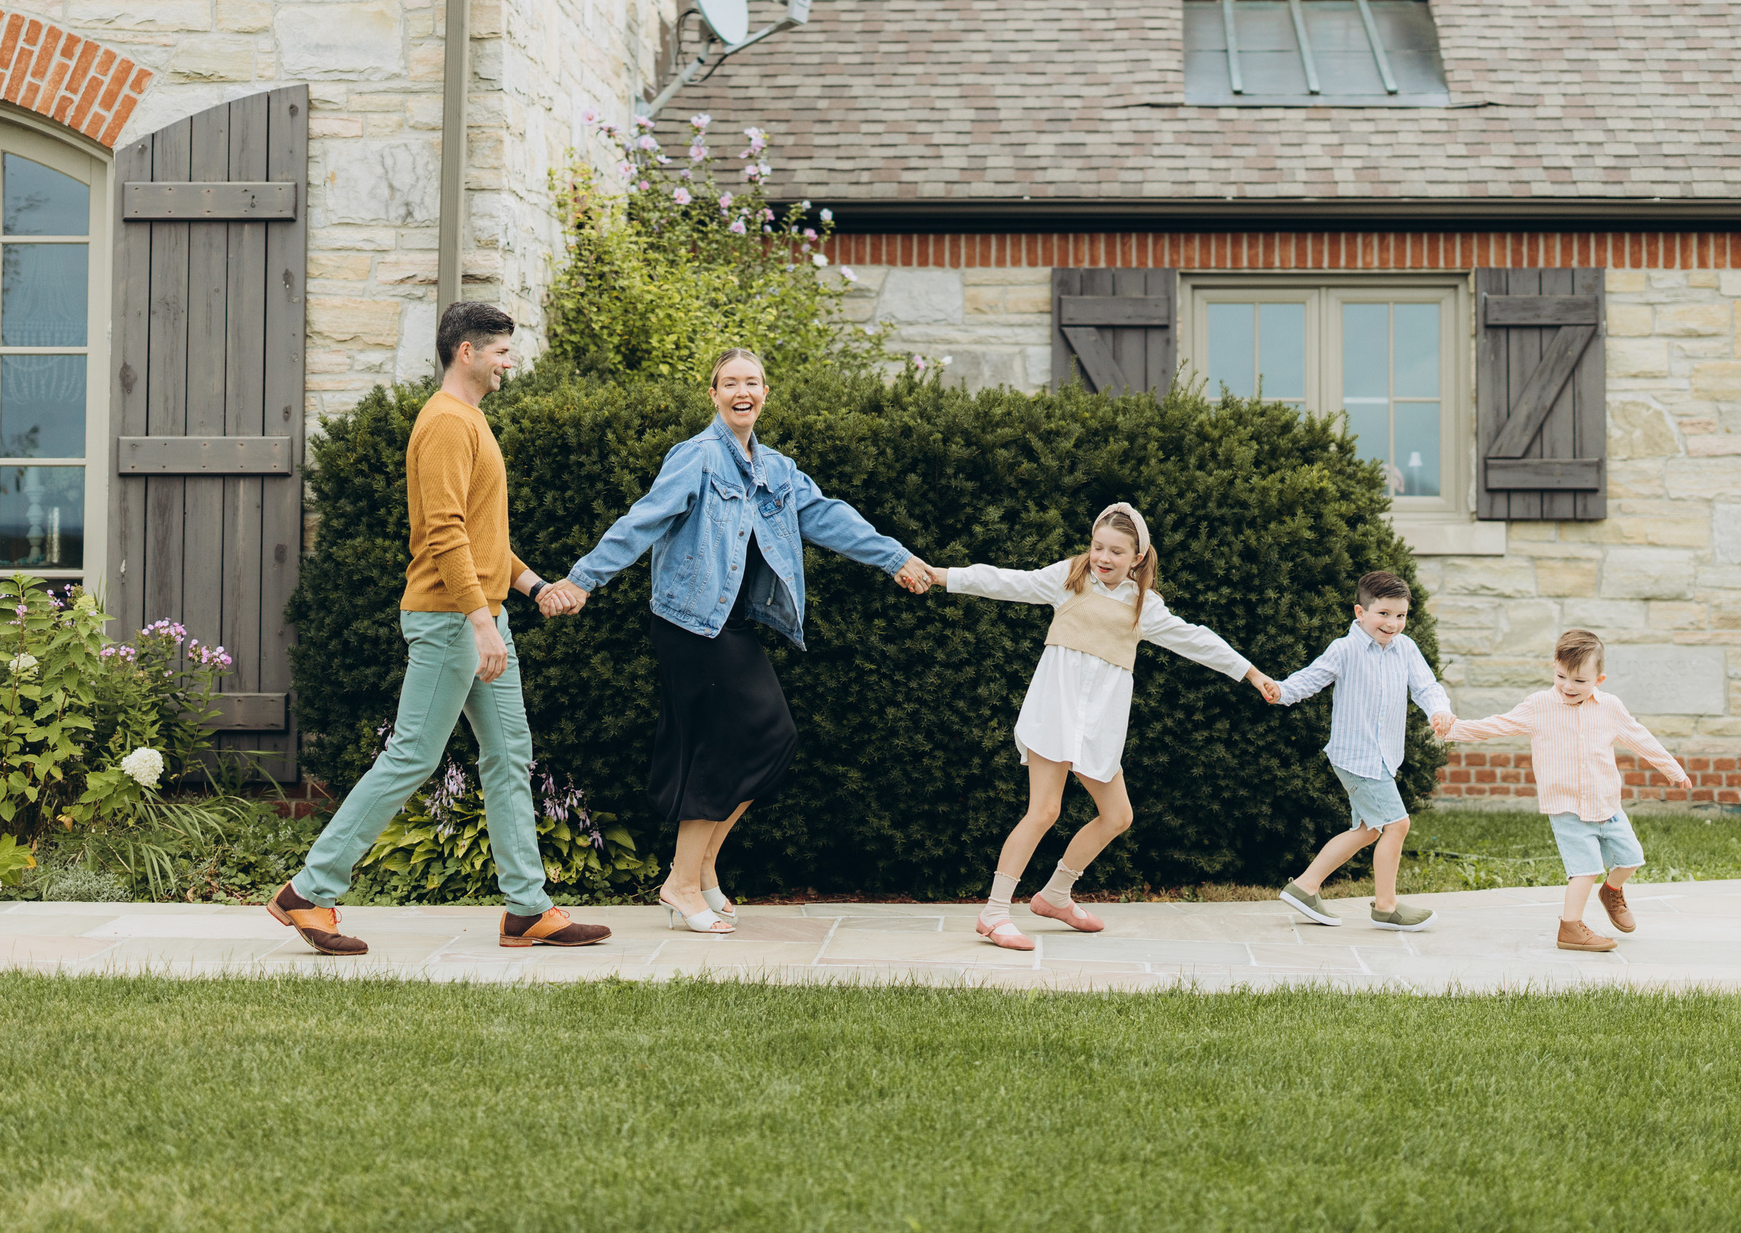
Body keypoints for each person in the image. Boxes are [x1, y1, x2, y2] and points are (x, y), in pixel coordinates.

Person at [265, 302, 611, 956]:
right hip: (452, 618)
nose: (510, 362)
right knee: (414, 754)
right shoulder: (447, 424)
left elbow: (481, 538)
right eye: (501, 351)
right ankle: (309, 890)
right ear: (467, 353)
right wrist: (480, 623)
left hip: (481, 614)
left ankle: (527, 908)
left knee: (510, 752)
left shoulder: (471, 420)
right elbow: (444, 534)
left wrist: (533, 586)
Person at [561, 347, 931, 933]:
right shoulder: (697, 457)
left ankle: (703, 868)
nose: (742, 391)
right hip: (688, 623)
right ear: (714, 395)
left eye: (752, 382)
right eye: (730, 382)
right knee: (720, 747)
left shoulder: (777, 470)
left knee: (772, 738)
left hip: (729, 624)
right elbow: (643, 520)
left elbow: (831, 517)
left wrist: (896, 558)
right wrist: (584, 580)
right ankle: (682, 884)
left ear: (764, 395)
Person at [922, 503, 1274, 952]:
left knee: (1118, 816)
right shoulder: (1068, 578)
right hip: (1055, 712)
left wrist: (1251, 673)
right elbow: (1005, 580)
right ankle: (993, 913)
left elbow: (1196, 638)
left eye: (1116, 552)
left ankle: (1054, 895)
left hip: (1098, 725)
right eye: (1097, 546)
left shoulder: (1144, 606)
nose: (1103, 558)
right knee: (1044, 811)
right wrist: (940, 575)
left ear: (1138, 558)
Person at [1435, 628, 1692, 953]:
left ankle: (1611, 891)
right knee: (1585, 870)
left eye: (1579, 681)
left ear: (1599, 679)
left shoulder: (1610, 707)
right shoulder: (1539, 705)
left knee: (1631, 859)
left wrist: (1673, 768)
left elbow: (1641, 738)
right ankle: (1570, 928)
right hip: (1567, 807)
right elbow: (1497, 724)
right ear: (1554, 669)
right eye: (1561, 677)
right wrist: (1454, 729)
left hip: (1607, 804)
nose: (1568, 687)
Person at [1264, 570, 1456, 932]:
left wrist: (1439, 711)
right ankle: (1386, 907)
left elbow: (1427, 687)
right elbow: (1311, 677)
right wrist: (1282, 690)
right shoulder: (1345, 648)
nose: (1393, 623)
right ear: (1360, 612)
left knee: (1369, 829)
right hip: (1356, 756)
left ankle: (1304, 887)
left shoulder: (1407, 649)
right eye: (1383, 613)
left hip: (1383, 756)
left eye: (1400, 615)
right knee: (1397, 824)